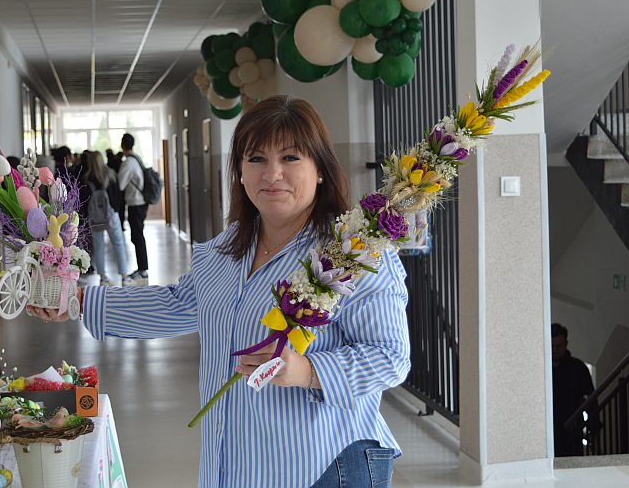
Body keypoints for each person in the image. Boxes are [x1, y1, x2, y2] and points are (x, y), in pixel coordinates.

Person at [28, 95, 411, 488]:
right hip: (235, 464)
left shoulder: (355, 253)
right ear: (240, 172)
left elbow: (390, 356)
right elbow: (177, 304)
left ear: (320, 170)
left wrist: (308, 371)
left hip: (324, 464)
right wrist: (78, 301)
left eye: (291, 158)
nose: (272, 174)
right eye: (256, 158)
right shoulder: (224, 251)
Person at [80, 151, 133, 287]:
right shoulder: (110, 174)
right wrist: (114, 210)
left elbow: (84, 200)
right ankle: (124, 275)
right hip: (111, 215)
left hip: (94, 217)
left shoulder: (87, 178)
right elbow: (118, 195)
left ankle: (103, 276)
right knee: (118, 243)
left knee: (98, 245)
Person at [551, 322, 595, 457]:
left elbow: (590, 400)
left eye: (558, 346)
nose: (554, 350)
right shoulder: (540, 368)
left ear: (566, 344)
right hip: (548, 431)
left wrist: (594, 427)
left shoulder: (577, 368)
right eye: (552, 346)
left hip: (571, 432)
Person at [118, 133, 149, 286]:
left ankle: (142, 269)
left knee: (137, 236)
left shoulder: (128, 162)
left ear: (122, 145)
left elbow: (120, 184)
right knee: (138, 235)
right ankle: (142, 268)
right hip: (140, 202)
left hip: (135, 203)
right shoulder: (137, 159)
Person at [106, 148, 126, 230]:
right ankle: (121, 225)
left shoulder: (109, 166)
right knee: (121, 209)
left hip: (114, 191)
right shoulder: (119, 164)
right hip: (120, 190)